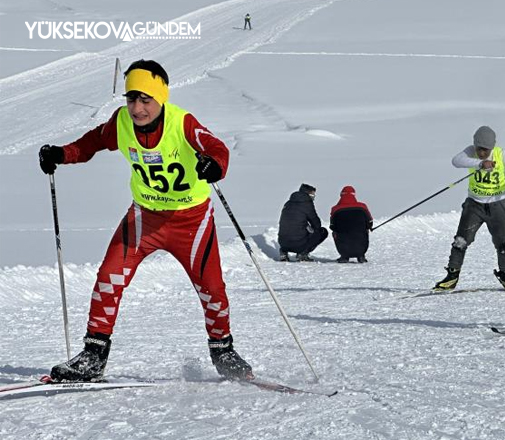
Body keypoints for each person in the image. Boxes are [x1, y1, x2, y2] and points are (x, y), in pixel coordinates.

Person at [37, 60, 252, 382]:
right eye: (131, 98)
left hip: (190, 221)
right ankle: (93, 356)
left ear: (161, 97)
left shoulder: (182, 123)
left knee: (212, 289)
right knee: (109, 276)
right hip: (145, 217)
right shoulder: (121, 122)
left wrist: (215, 165)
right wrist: (61, 154)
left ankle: (223, 350)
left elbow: (216, 147)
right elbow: (91, 143)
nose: (137, 108)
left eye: (145, 99)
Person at [433, 126, 505, 291]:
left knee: (503, 243)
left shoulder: (501, 154)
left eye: (486, 150)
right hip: (474, 204)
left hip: (498, 204)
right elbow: (456, 161)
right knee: (461, 240)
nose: (482, 153)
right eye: (479, 149)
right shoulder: (470, 152)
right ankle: (452, 275)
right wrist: (480, 163)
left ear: (492, 147)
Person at [278, 183, 328, 262]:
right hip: (298, 244)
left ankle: (283, 252)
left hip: (282, 243)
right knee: (322, 232)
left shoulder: (288, 203)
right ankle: (303, 253)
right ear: (307, 194)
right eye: (312, 195)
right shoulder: (307, 204)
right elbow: (316, 224)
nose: (313, 198)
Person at [330, 186, 373, 263]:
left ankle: (344, 256)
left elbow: (332, 226)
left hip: (343, 248)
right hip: (361, 246)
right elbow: (370, 223)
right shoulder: (362, 207)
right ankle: (361, 256)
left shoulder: (335, 209)